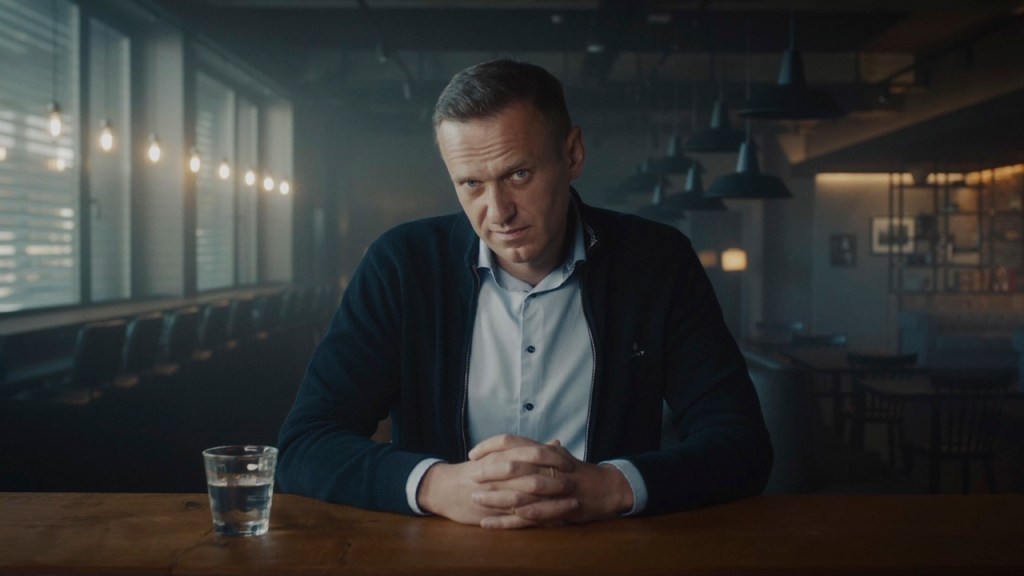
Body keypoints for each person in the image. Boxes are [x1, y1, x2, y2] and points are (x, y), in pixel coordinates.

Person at [277, 59, 772, 529]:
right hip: (439, 558)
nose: (498, 212)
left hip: (613, 554)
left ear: (572, 154)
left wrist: (613, 487)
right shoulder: (401, 265)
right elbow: (306, 443)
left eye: (519, 174)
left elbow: (741, 446)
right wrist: (435, 485)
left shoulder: (658, 261)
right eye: (471, 183)